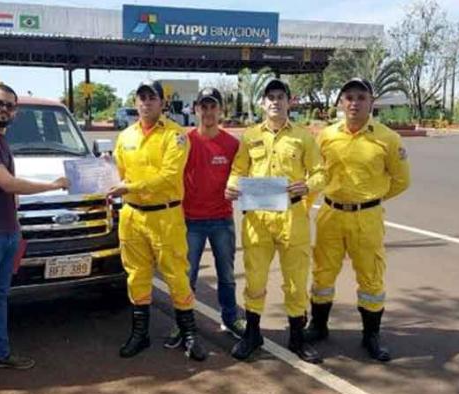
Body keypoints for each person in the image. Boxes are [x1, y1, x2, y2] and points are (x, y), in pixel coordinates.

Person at [0, 83, 69, 388]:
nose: (3, 109)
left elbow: (10, 197)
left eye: (9, 105)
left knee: (0, 297)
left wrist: (16, 228)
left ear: (15, 111)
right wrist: (53, 185)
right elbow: (8, 184)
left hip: (6, 231)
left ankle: (0, 353)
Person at [305, 78, 410, 362]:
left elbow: (401, 181)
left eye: (361, 97)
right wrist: (304, 207)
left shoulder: (388, 138)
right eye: (348, 97)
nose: (354, 102)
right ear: (340, 102)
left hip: (367, 218)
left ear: (371, 102)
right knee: (323, 273)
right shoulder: (326, 136)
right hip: (330, 214)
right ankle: (318, 326)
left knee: (371, 276)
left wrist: (371, 200)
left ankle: (371, 335)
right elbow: (315, 175)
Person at [225, 79, 325, 364]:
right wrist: (232, 186)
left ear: (289, 102)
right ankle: (252, 334)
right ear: (262, 103)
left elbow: (320, 173)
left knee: (295, 281)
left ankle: (297, 338)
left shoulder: (303, 137)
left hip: (292, 217)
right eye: (270, 97)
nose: (275, 102)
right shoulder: (250, 136)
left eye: (280, 97)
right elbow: (238, 169)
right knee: (254, 278)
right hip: (257, 217)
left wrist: (307, 185)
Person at [108, 80, 207, 361]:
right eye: (141, 97)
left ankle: (189, 333)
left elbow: (169, 176)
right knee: (136, 276)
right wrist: (102, 174)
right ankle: (140, 334)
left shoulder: (176, 136)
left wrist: (129, 186)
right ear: (136, 102)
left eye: (152, 98)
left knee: (177, 275)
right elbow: (117, 173)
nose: (146, 102)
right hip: (132, 216)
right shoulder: (125, 136)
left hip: (166, 216)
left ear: (162, 103)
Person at [164, 87, 245, 349]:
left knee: (227, 275)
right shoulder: (183, 141)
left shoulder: (232, 144)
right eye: (203, 106)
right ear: (195, 109)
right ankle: (182, 323)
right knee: (186, 275)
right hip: (190, 220)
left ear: (220, 110)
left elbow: (244, 174)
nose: (208, 112)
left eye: (213, 106)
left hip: (222, 219)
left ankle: (230, 318)